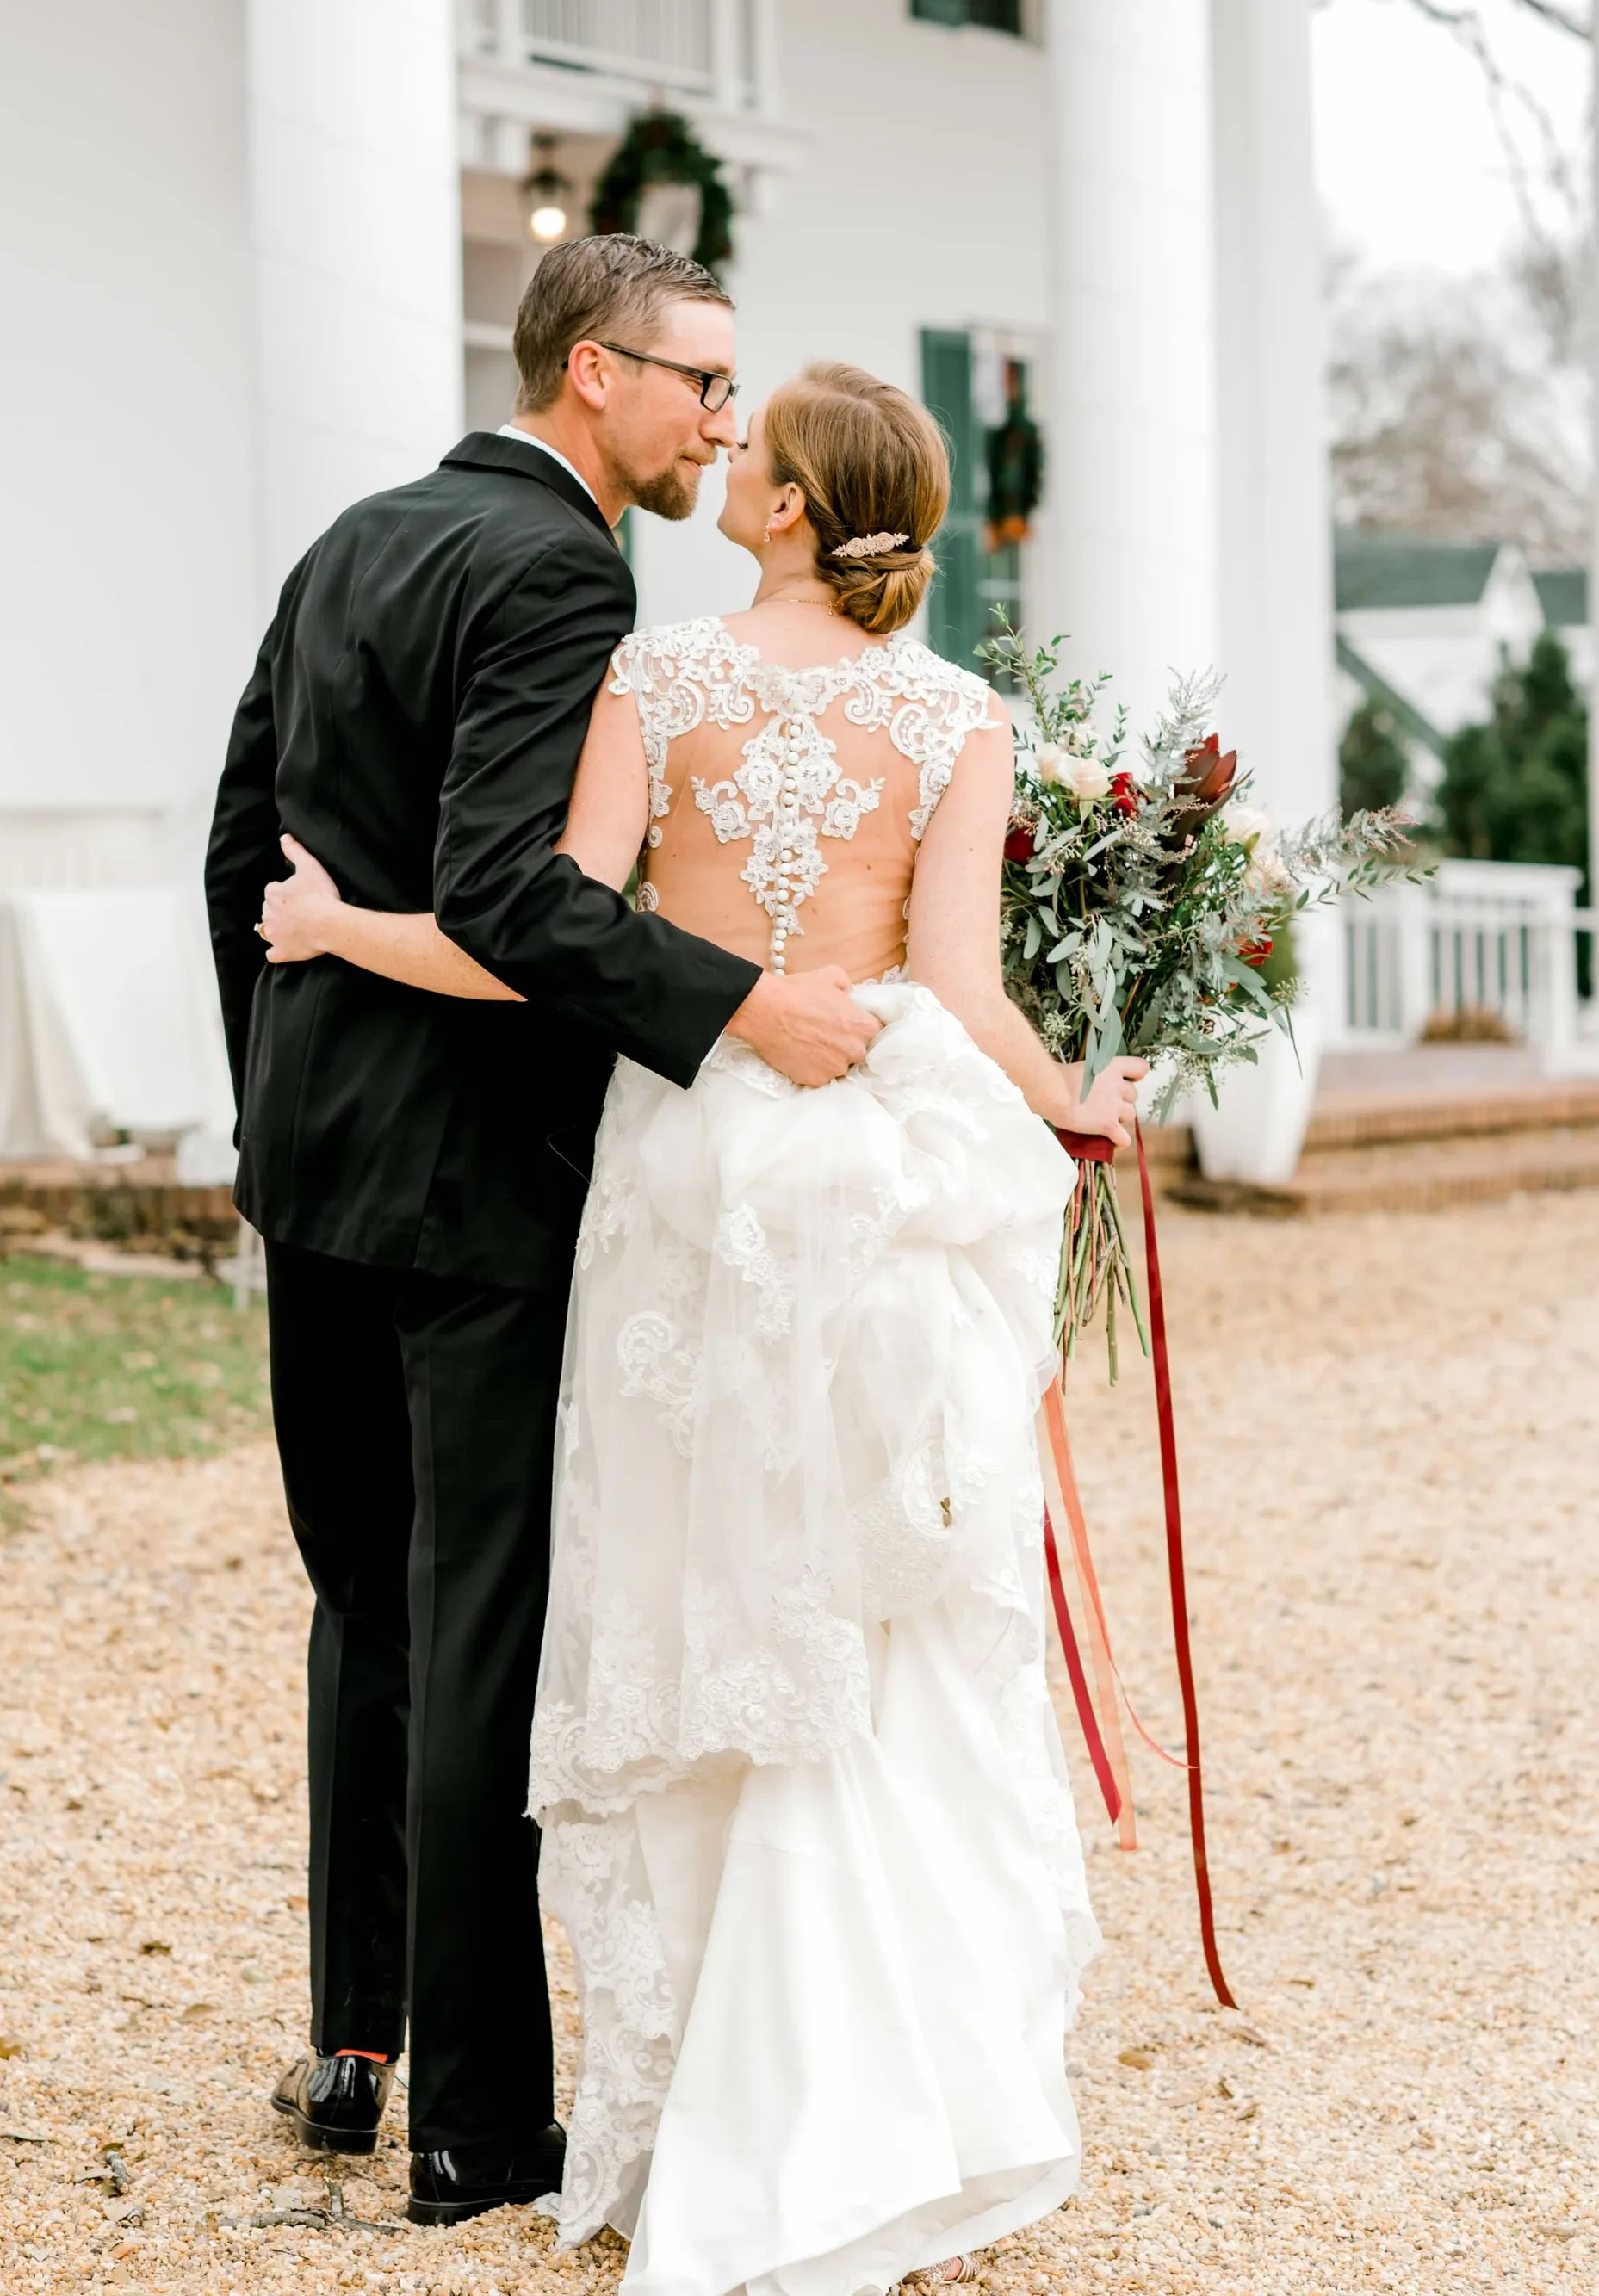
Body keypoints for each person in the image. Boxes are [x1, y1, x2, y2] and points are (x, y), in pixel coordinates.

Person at [260, 358, 1146, 2290]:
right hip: (872, 1163)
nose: (726, 454)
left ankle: (694, 2100)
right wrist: (1083, 1094)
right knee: (863, 1596)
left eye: (755, 446)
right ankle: (868, 2081)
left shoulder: (653, 681)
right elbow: (957, 992)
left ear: (787, 507)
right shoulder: (955, 714)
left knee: (689, 1595)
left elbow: (534, 938)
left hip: (680, 1169)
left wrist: (337, 935)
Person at [204, 236, 883, 2229]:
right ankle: (480, 2131)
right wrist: (745, 1005)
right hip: (471, 1183)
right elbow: (513, 892)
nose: (723, 424)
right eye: (699, 383)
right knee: (474, 1619)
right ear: (596, 373)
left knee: (366, 1600)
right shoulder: (564, 567)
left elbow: (241, 838)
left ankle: (353, 2040)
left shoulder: (350, 538)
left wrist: (271, 1082)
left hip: (312, 1156)